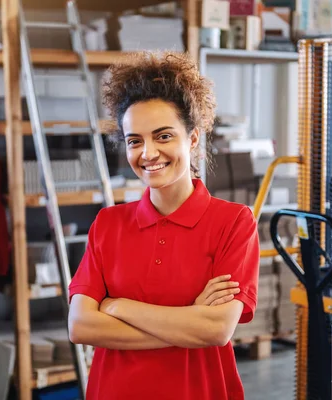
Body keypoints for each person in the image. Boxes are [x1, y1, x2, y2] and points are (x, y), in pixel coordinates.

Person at [68, 51, 260, 400]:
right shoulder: (108, 224)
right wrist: (188, 322)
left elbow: (217, 329)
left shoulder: (234, 223)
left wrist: (117, 307)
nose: (148, 153)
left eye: (164, 136)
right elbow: (80, 325)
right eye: (135, 141)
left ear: (193, 137)